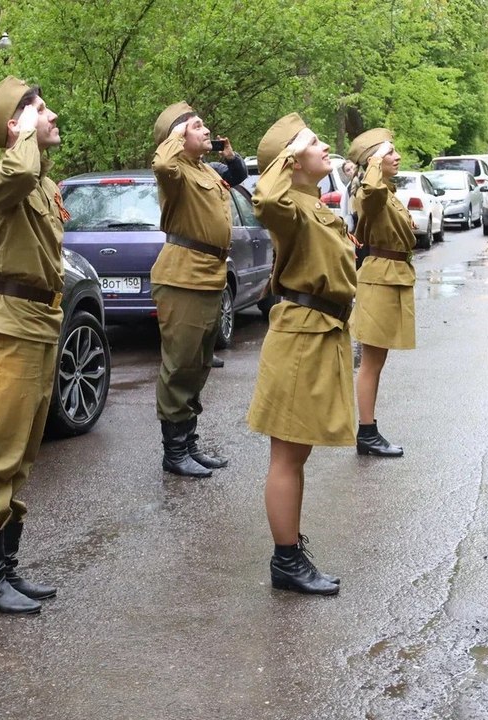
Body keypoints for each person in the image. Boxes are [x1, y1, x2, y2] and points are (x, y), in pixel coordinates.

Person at [0, 76, 67, 615]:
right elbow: (19, 169)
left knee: (22, 452)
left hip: (40, 320)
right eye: (38, 110)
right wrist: (24, 133)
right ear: (14, 124)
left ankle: (6, 567)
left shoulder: (43, 186)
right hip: (9, 326)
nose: (51, 116)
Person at [249, 113, 357, 596]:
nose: (325, 147)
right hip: (300, 335)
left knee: (299, 452)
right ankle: (286, 561)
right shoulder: (287, 204)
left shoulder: (313, 204)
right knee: (288, 456)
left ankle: (290, 550)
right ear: (292, 160)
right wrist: (285, 158)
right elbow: (265, 197)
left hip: (320, 330)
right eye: (313, 143)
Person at [150, 102, 232, 478]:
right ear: (178, 137)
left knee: (198, 365)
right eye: (196, 126)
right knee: (179, 364)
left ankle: (190, 444)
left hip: (210, 275)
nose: (207, 130)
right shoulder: (176, 170)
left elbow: (236, 175)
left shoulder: (204, 170)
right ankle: (174, 452)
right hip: (182, 276)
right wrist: (176, 136)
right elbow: (163, 165)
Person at [347, 129, 415, 457]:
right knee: (371, 362)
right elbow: (370, 188)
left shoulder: (386, 192)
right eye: (389, 153)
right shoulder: (369, 192)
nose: (397, 156)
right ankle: (367, 432)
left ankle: (368, 431)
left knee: (377, 360)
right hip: (379, 279)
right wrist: (374, 162)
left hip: (390, 277)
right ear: (373, 161)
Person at [205, 136, 247, 370]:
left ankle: (205, 350)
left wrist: (230, 156)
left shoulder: (211, 170)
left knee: (212, 302)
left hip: (213, 251)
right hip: (189, 249)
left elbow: (238, 175)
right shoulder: (175, 173)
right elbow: (67, 217)